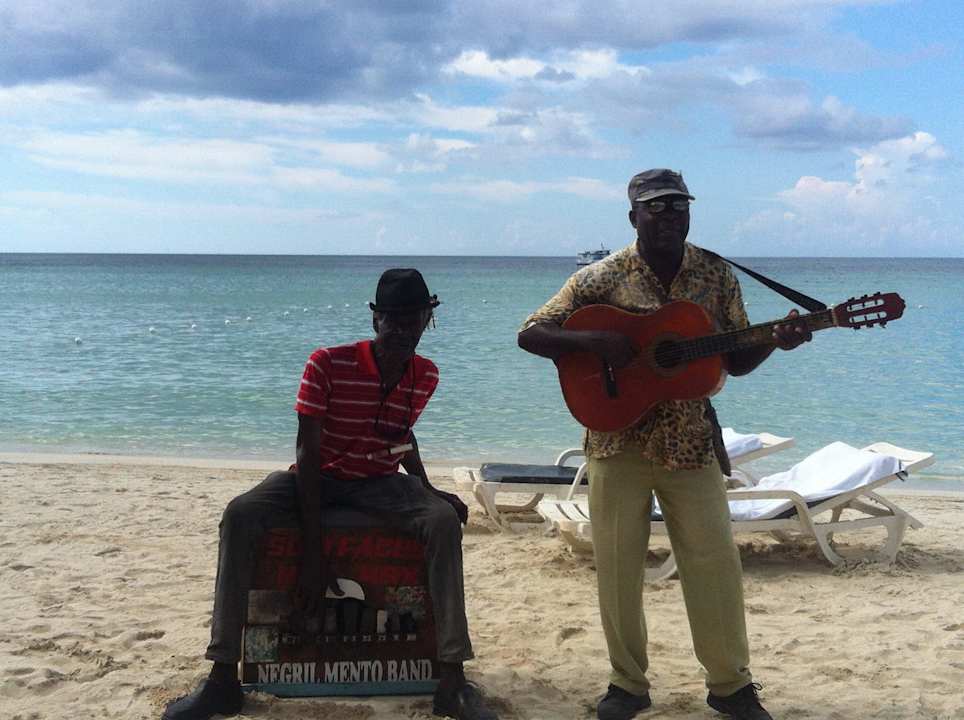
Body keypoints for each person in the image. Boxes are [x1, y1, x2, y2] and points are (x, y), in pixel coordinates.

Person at [517, 169, 812, 720]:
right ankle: (627, 685)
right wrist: (597, 341)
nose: (671, 214)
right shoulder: (601, 277)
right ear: (634, 217)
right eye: (657, 207)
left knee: (715, 565)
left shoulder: (715, 274)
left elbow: (736, 359)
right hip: (615, 441)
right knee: (618, 569)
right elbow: (532, 332)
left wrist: (778, 341)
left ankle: (731, 688)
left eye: (679, 205)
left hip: (692, 443)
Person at [163, 268, 498, 720]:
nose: (401, 328)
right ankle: (223, 676)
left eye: (411, 318)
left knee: (440, 520)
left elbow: (401, 436)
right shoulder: (327, 363)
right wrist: (313, 549)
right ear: (375, 319)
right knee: (241, 513)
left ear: (427, 319)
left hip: (378, 481)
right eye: (391, 318)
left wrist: (427, 487)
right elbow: (308, 449)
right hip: (314, 478)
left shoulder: (425, 375)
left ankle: (452, 678)